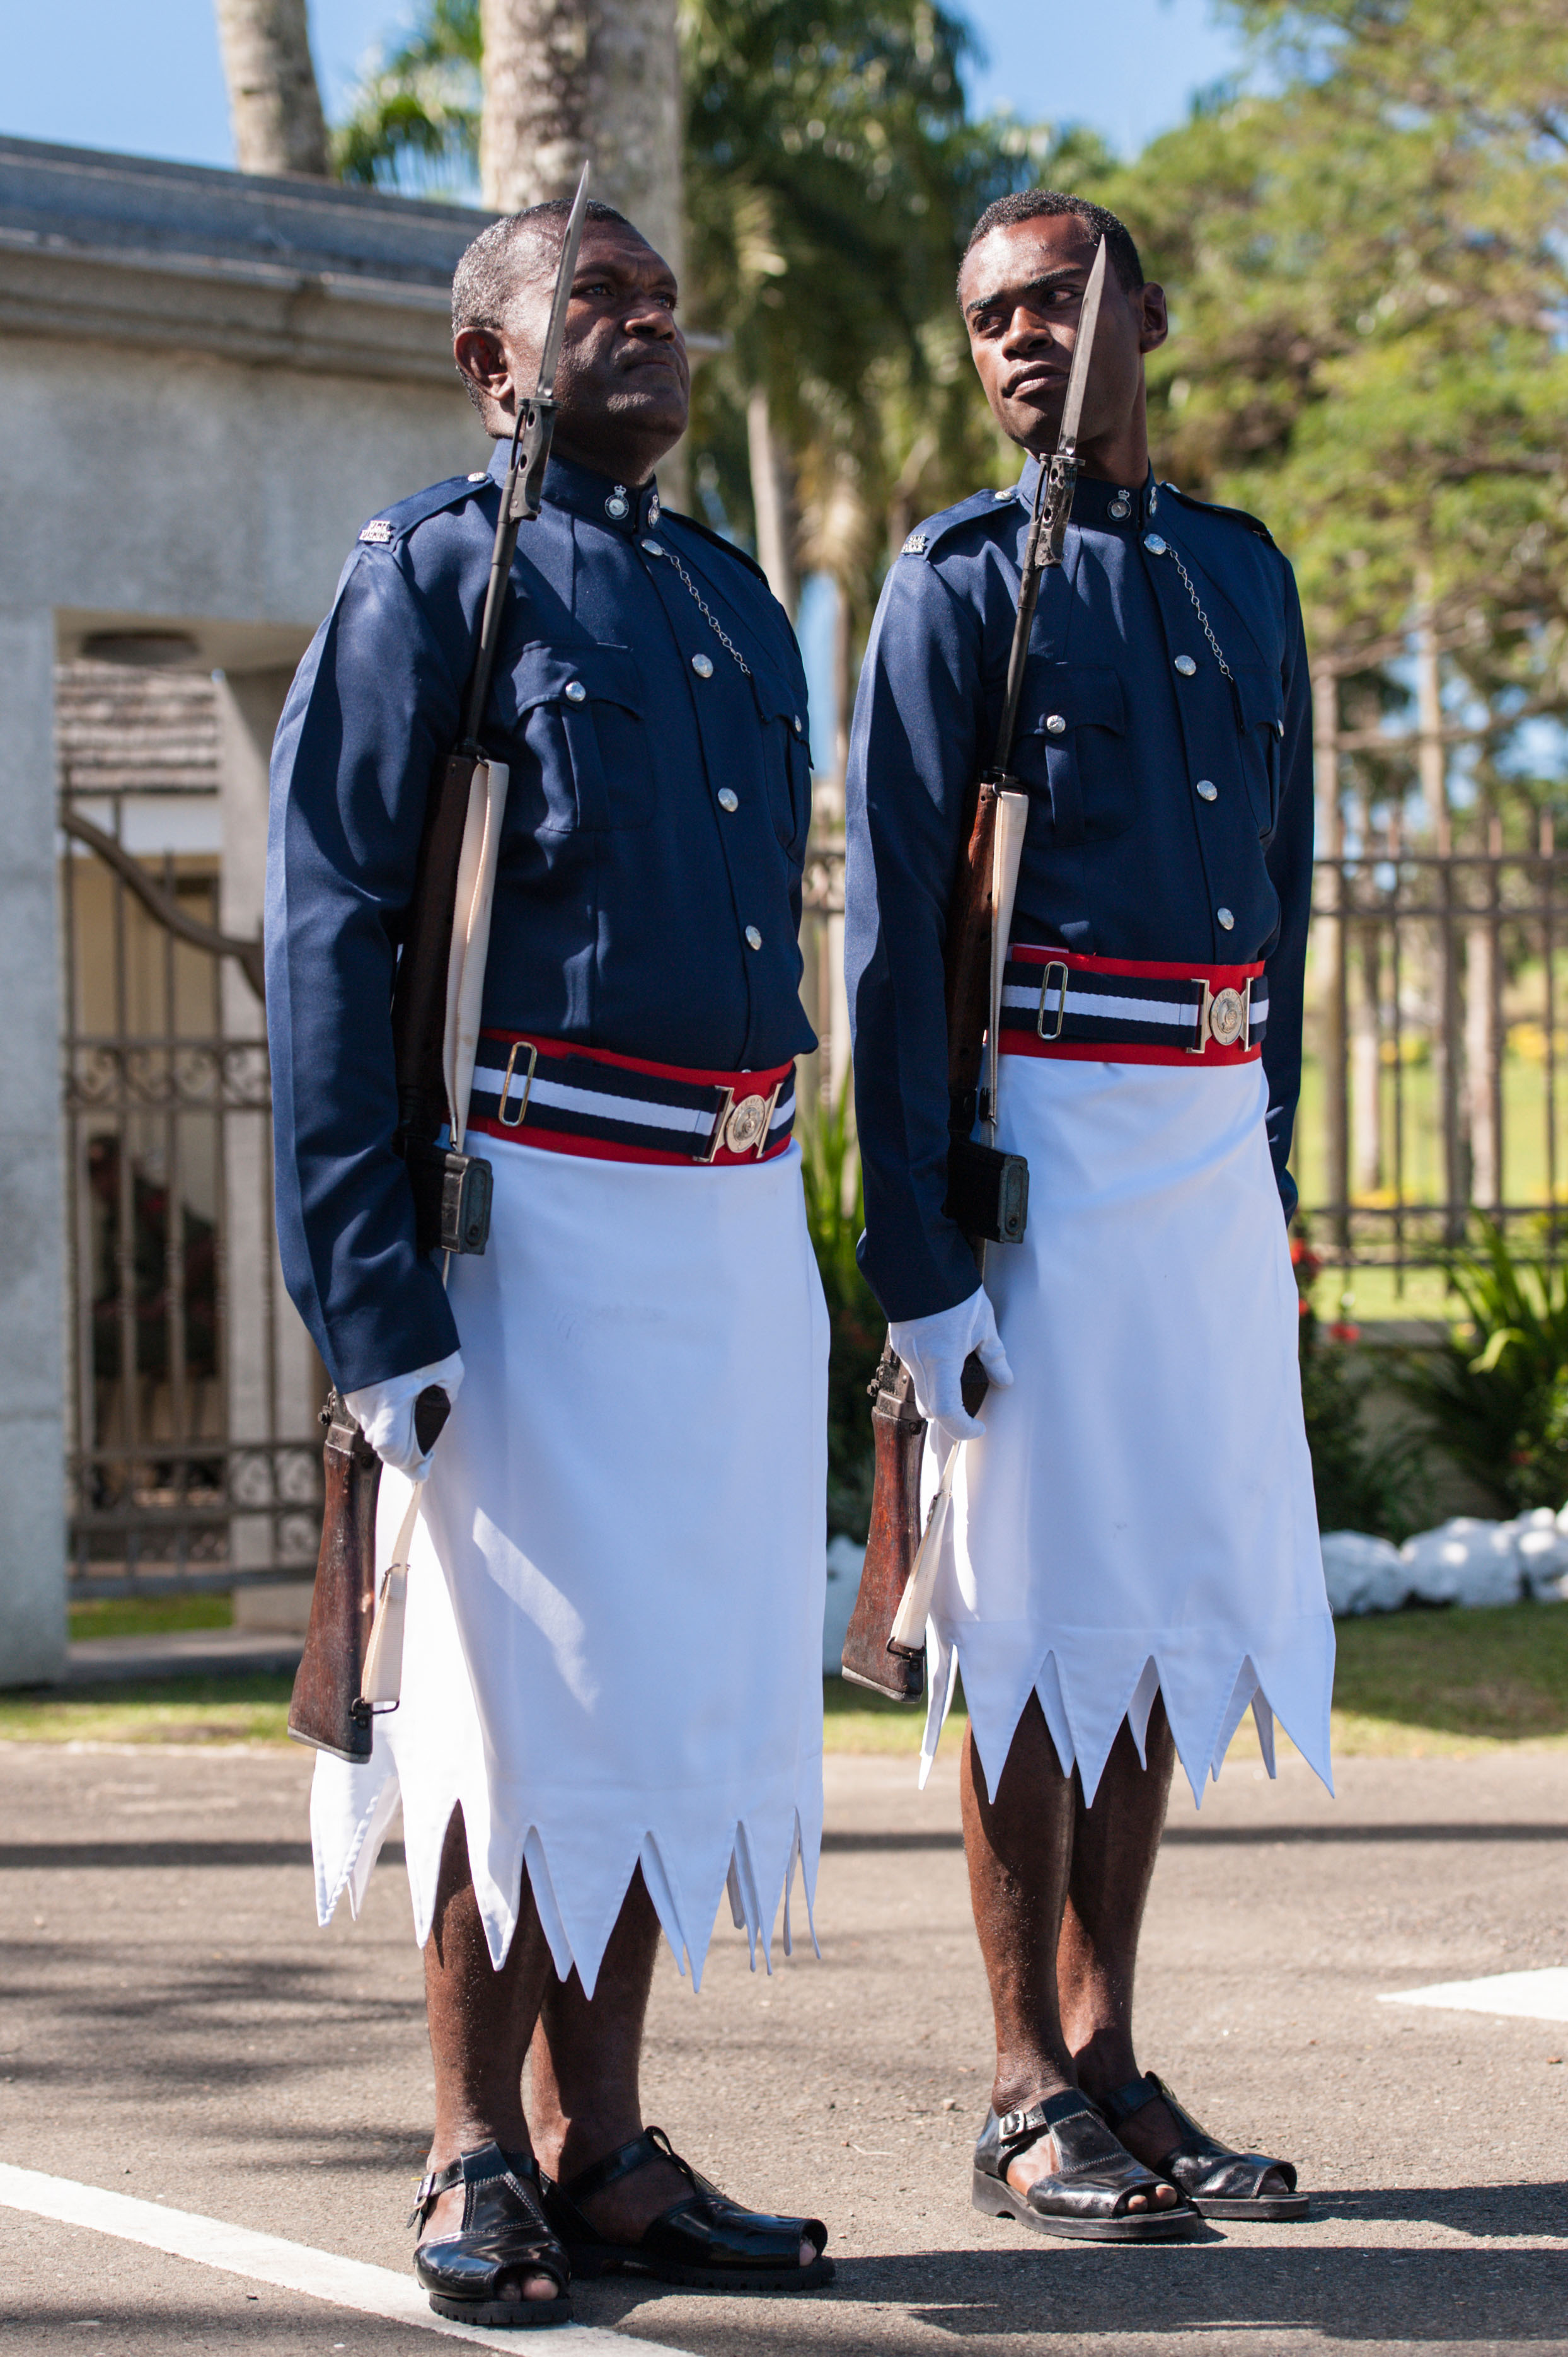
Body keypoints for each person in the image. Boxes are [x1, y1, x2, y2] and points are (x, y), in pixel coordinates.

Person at [267, 195, 833, 2327]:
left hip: (731, 1214)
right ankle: (469, 2147)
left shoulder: (728, 600)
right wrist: (372, 1293)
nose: (647, 324)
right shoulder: (433, 576)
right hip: (529, 1228)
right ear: (493, 365)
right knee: (503, 1715)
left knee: (664, 1704)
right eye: (596, 300)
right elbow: (333, 937)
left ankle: (606, 2147)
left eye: (662, 299)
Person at [844, 188, 1333, 2245]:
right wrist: (925, 1257)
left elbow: (1287, 903)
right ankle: (1020, 2081)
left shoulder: (1243, 573)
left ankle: (1112, 2048)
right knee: (1031, 1617)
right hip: (1041, 1123)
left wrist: (1271, 1173)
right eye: (987, 319)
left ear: (1148, 309)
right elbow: (887, 943)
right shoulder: (958, 585)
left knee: (1154, 1610)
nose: (1022, 339)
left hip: (1209, 1134)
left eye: (1056, 298)